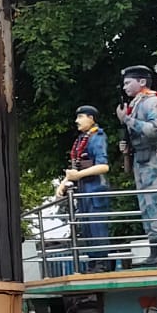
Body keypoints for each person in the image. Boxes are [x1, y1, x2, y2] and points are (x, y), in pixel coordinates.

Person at [117, 65, 157, 267]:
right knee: (146, 205)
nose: (124, 87)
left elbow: (155, 130)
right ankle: (154, 249)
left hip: (154, 157)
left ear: (141, 82)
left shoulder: (151, 101)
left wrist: (128, 120)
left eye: (127, 82)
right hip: (140, 158)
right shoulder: (136, 103)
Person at [55, 105, 112, 271]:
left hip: (95, 188)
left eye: (81, 117)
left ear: (91, 118)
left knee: (97, 226)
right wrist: (64, 182)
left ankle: (102, 263)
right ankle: (93, 262)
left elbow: (103, 166)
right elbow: (77, 165)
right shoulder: (81, 139)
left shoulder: (97, 137)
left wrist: (77, 176)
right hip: (84, 190)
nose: (77, 121)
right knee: (87, 228)